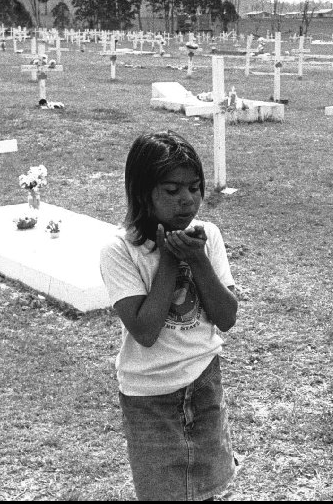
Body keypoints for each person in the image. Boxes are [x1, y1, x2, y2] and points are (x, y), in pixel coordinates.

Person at [99, 130, 239, 501]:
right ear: (144, 193)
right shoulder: (121, 250)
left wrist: (197, 259)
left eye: (194, 187)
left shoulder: (207, 236)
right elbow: (145, 330)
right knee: (163, 492)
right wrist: (170, 261)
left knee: (209, 487)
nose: (187, 200)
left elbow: (226, 317)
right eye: (172, 191)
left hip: (203, 380)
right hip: (150, 395)